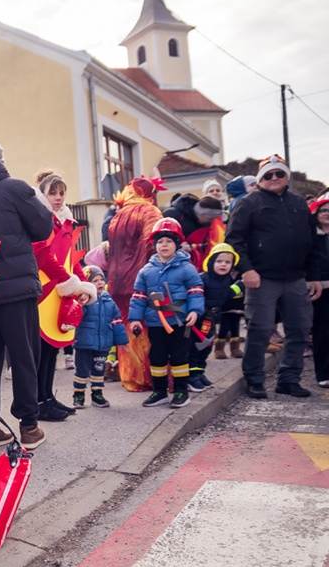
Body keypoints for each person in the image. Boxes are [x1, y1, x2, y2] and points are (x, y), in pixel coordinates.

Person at [0, 140, 54, 450]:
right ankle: (29, 427)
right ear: (1, 161)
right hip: (16, 291)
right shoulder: (14, 188)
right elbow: (43, 228)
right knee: (25, 356)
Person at [226, 155, 323, 399]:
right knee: (260, 330)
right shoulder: (248, 203)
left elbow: (310, 242)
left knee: (300, 329)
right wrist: (246, 269)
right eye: (268, 175)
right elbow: (233, 240)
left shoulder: (299, 203)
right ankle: (255, 380)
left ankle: (289, 380)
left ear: (286, 177)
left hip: (296, 278)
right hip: (262, 278)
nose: (274, 178)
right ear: (260, 180)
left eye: (279, 174)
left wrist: (312, 276)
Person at [32, 170, 97, 421]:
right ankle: (38, 401)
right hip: (44, 292)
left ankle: (48, 397)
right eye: (52, 193)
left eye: (62, 193)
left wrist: (81, 283)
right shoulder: (39, 220)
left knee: (52, 349)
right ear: (43, 194)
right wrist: (69, 281)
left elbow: (70, 257)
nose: (58, 198)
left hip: (60, 290)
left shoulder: (65, 221)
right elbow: (42, 255)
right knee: (42, 349)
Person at [127, 219, 204, 409]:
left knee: (179, 357)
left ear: (177, 245)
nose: (164, 245)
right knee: (157, 357)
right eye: (160, 241)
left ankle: (180, 391)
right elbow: (139, 295)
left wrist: (195, 311)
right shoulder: (146, 271)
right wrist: (135, 318)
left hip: (180, 322)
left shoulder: (187, 268)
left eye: (169, 241)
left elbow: (196, 290)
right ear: (154, 245)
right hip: (155, 323)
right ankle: (159, 391)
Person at [106, 176, 166, 392]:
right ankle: (147, 377)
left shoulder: (118, 215)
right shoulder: (149, 212)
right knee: (146, 328)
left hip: (116, 281)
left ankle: (130, 377)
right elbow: (154, 243)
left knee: (126, 327)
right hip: (140, 280)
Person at [187, 243, 243, 391]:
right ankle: (191, 376)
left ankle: (199, 372)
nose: (223, 265)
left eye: (227, 262)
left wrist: (239, 286)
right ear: (211, 262)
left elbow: (225, 296)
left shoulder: (226, 280)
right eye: (219, 261)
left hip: (211, 319)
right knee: (197, 345)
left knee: (207, 346)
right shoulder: (203, 279)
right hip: (200, 319)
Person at [71, 266, 128, 409]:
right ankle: (78, 395)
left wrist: (121, 340)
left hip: (103, 343)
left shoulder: (109, 300)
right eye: (95, 280)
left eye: (101, 279)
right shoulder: (84, 300)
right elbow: (76, 316)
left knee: (99, 369)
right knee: (82, 370)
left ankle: (97, 394)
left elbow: (116, 320)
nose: (100, 282)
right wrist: (81, 304)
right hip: (85, 343)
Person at [309, 196, 329, 387]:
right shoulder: (311, 237)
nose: (327, 214)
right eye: (324, 211)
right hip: (320, 290)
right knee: (322, 331)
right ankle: (323, 373)